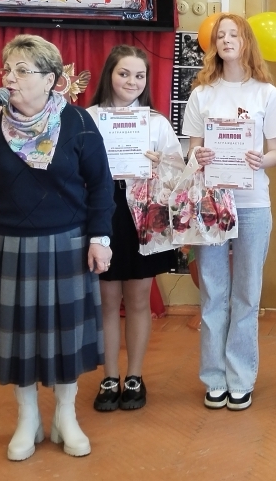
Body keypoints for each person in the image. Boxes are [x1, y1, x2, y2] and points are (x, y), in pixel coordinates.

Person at [0, 34, 115, 461]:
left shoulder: (77, 122)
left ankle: (65, 415)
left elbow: (101, 186)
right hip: (10, 242)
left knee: (66, 334)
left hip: (67, 241)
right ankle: (28, 418)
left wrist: (100, 238)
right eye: (7, 69)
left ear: (50, 80)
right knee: (19, 337)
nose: (10, 78)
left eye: (22, 70)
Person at [182, 14, 276, 411]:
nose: (226, 40)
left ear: (246, 42)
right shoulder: (201, 94)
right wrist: (199, 156)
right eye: (220, 35)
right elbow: (192, 150)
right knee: (212, 293)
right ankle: (214, 377)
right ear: (214, 46)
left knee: (246, 293)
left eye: (234, 34)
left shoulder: (266, 93)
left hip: (253, 204)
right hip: (210, 204)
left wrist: (261, 159)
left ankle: (241, 377)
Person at [87, 45, 183, 412]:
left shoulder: (156, 122)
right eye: (124, 73)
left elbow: (177, 172)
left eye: (139, 75)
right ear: (109, 75)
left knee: (139, 300)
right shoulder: (89, 118)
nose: (132, 81)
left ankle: (135, 376)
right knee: (108, 301)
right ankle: (110, 377)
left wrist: (161, 165)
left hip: (144, 215)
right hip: (103, 213)